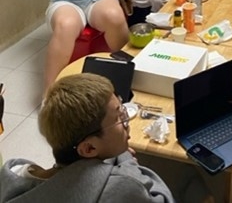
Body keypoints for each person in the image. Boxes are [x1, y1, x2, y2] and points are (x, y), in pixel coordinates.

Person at [0, 73, 213, 202]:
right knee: (189, 176)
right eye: (120, 118)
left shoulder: (15, 173)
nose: (127, 122)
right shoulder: (123, 186)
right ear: (89, 149)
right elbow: (162, 198)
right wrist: (127, 161)